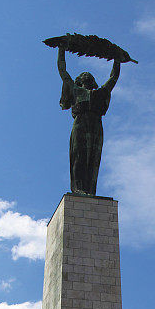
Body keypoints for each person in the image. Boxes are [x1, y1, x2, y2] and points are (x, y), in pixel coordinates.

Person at [56, 45, 120, 196]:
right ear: (79, 80)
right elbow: (62, 72)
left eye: (89, 75)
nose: (86, 75)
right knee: (79, 155)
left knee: (93, 157)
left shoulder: (100, 93)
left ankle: (90, 189)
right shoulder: (75, 90)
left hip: (96, 124)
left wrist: (117, 59)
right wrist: (61, 49)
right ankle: (78, 188)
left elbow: (113, 78)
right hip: (80, 123)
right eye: (83, 74)